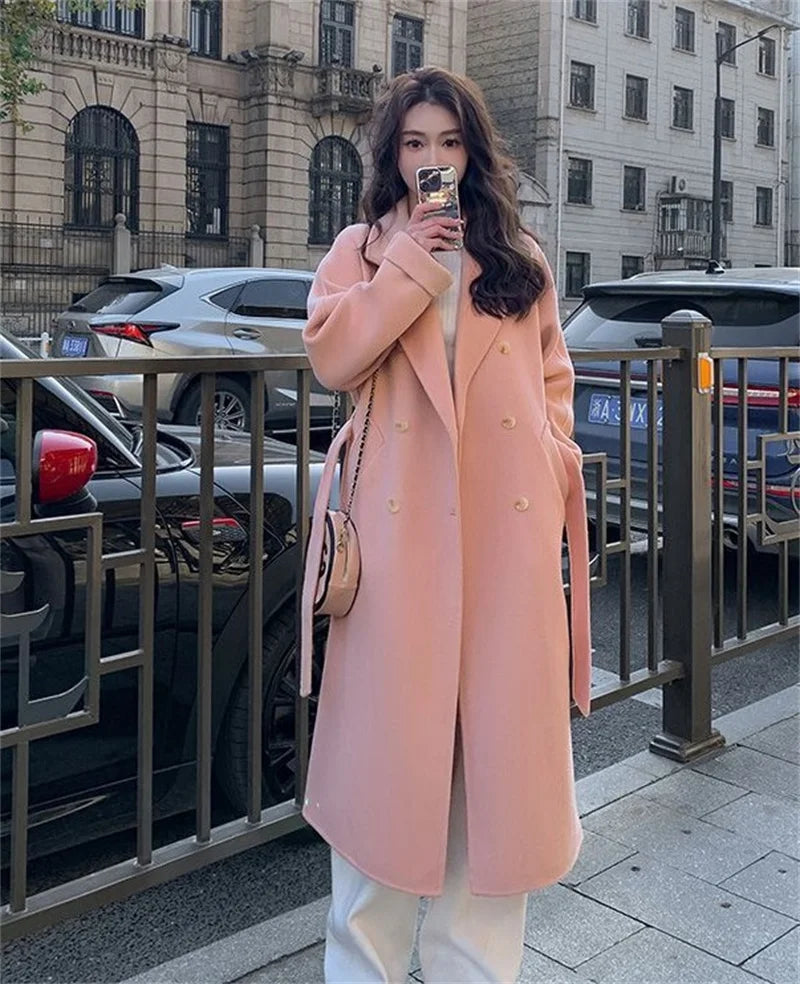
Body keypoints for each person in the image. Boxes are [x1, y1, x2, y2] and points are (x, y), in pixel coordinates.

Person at [299, 66, 592, 983]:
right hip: (402, 556)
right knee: (382, 810)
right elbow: (333, 359)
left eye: (451, 142)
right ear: (393, 155)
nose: (435, 159)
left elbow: (553, 382)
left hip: (504, 548)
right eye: (416, 143)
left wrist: (548, 458)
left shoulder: (518, 257)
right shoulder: (362, 249)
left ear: (475, 153)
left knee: (491, 810)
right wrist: (410, 262)